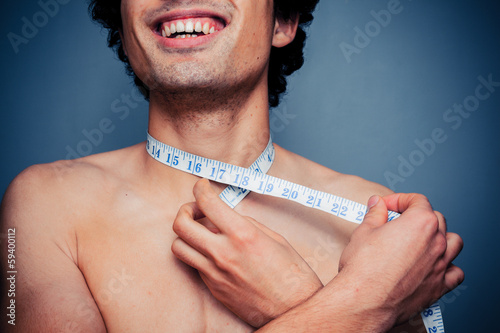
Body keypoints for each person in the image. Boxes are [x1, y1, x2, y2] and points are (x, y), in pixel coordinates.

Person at [0, 0, 463, 332]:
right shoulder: (45, 204)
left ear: (282, 20)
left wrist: (296, 305)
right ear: (123, 24)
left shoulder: (375, 222)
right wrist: (357, 303)